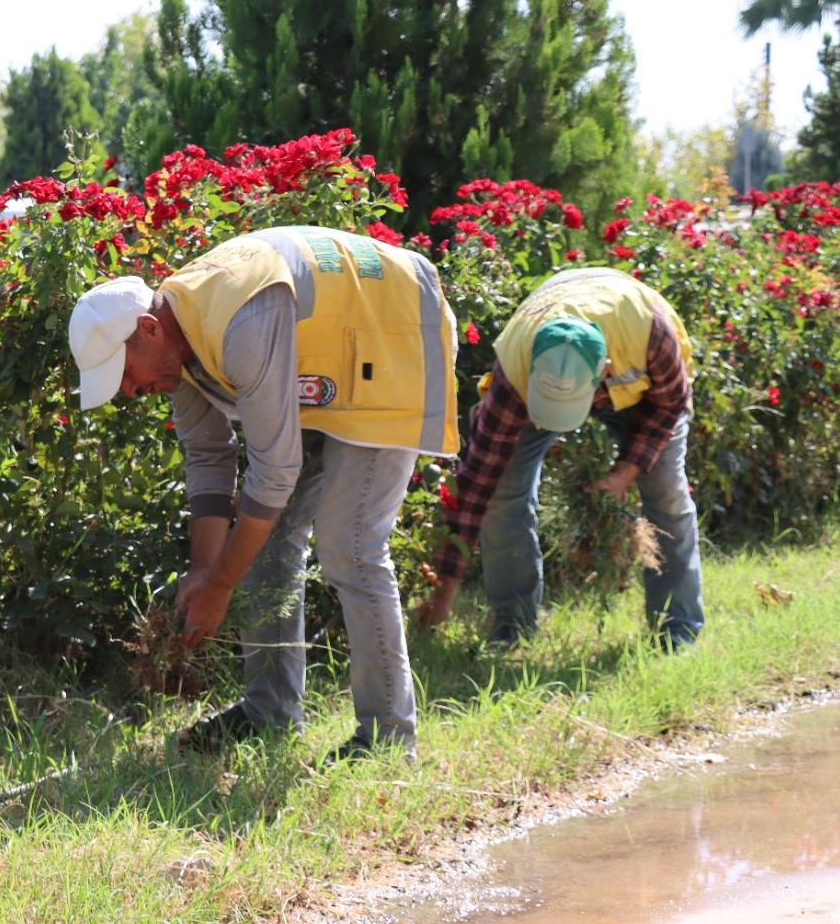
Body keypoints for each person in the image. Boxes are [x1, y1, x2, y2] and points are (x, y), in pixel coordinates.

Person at [68, 226, 459, 757]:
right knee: (265, 547)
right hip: (328, 371)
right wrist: (206, 573)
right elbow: (210, 457)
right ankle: (271, 713)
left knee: (350, 546)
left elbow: (275, 472)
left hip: (395, 337)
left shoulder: (240, 318)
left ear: (148, 329)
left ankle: (389, 740)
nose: (130, 391)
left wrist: (221, 588)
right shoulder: (179, 348)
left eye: (124, 373)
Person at [417, 266, 704, 649]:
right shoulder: (516, 369)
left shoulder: (650, 330)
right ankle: (512, 626)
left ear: (603, 372)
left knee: (667, 493)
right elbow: (475, 486)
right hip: (540, 376)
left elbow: (671, 404)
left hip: (647, 394)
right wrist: (444, 595)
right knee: (502, 495)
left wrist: (623, 474)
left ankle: (677, 628)